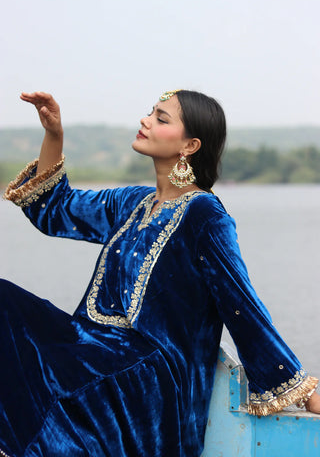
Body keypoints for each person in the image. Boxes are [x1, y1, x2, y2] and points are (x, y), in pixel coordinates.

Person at [1, 89, 319, 457]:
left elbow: (240, 304)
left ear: (190, 145)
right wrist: (54, 135)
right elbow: (55, 210)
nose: (145, 120)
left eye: (161, 118)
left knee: (65, 380)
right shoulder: (132, 203)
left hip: (147, 372)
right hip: (88, 344)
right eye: (150, 112)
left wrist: (303, 391)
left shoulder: (205, 217)